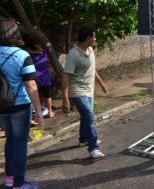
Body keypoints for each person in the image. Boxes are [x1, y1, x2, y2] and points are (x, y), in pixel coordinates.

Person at [0, 18, 43, 189]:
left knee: (10, 140)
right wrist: (39, 111)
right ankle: (19, 183)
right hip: (20, 106)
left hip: (1, 107)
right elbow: (31, 85)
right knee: (19, 144)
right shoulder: (21, 55)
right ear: (14, 33)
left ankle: (10, 178)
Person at [61, 27, 108, 159]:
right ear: (87, 38)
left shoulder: (90, 50)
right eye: (94, 36)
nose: (95, 39)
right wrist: (65, 99)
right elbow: (66, 77)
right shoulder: (73, 54)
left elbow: (93, 70)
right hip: (77, 91)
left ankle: (83, 139)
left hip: (89, 90)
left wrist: (102, 84)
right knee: (89, 116)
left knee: (85, 117)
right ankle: (93, 148)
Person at [28, 44, 55, 118]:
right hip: (44, 78)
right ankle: (49, 112)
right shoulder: (44, 54)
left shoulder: (30, 56)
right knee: (47, 96)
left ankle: (43, 112)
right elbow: (41, 51)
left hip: (37, 78)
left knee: (41, 96)